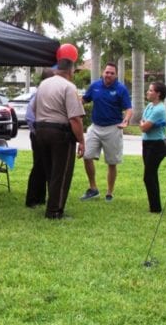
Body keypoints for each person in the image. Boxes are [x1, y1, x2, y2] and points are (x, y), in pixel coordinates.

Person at [32, 58, 86, 219]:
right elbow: (75, 118)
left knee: (50, 171)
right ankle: (54, 211)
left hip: (41, 130)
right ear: (70, 71)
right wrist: (81, 141)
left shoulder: (43, 84)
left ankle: (52, 204)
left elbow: (35, 109)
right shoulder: (68, 87)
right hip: (59, 133)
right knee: (61, 173)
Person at [80, 62, 133, 202]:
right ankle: (93, 189)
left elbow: (128, 108)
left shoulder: (121, 89)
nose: (108, 75)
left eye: (111, 73)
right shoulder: (95, 86)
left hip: (113, 128)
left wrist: (126, 120)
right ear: (103, 73)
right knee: (87, 156)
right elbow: (84, 100)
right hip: (95, 127)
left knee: (112, 162)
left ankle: (109, 192)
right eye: (107, 72)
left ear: (115, 75)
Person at [24, 68, 55, 208]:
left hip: (42, 134)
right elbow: (29, 116)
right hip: (38, 135)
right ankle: (31, 199)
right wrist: (37, 131)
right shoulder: (38, 94)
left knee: (44, 166)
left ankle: (41, 198)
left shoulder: (45, 93)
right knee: (39, 166)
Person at [139, 82, 166, 213]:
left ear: (158, 94)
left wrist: (144, 124)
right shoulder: (150, 106)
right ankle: (155, 205)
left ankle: (155, 208)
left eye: (150, 90)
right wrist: (144, 124)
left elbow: (144, 127)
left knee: (148, 176)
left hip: (156, 145)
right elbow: (143, 122)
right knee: (152, 174)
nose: (148, 92)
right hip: (147, 143)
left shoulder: (159, 109)